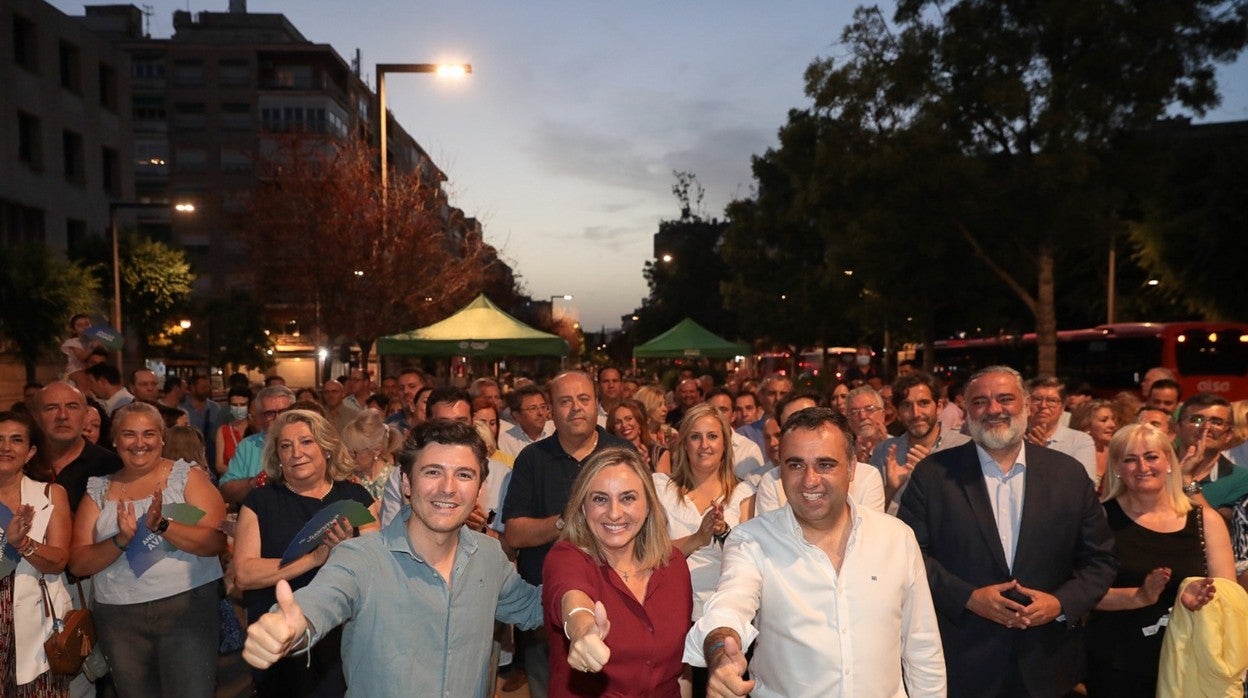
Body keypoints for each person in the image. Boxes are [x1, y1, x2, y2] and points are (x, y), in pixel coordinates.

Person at [242, 420, 543, 696]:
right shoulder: (360, 557)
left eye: (464, 475)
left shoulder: (489, 556)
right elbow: (322, 600)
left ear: (479, 488)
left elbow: (535, 608)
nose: (448, 488)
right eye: (433, 472)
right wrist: (289, 627)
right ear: (407, 483)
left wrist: (580, 603)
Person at [684, 407, 945, 697]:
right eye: (795, 465)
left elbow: (922, 647)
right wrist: (721, 653)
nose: (809, 480)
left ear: (851, 467)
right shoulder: (752, 541)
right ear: (779, 469)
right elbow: (728, 607)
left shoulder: (896, 538)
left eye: (825, 464)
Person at [896, 365, 1117, 697]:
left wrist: (1059, 603)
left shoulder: (1067, 475)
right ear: (966, 411)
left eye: (1005, 399)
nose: (994, 410)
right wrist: (968, 598)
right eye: (980, 401)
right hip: (961, 661)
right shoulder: (933, 475)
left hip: (1047, 663)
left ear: (1026, 405)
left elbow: (1101, 560)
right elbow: (910, 557)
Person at [68, 402, 227, 698]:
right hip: (118, 618)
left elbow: (216, 542)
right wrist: (120, 541)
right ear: (115, 440)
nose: (139, 443)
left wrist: (164, 526)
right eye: (129, 434)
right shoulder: (98, 490)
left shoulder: (186, 477)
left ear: (162, 439)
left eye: (149, 434)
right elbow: (78, 564)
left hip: (187, 611)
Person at [503, 371, 634, 697]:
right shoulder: (532, 460)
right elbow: (515, 534)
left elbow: (643, 525)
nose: (576, 408)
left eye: (583, 399)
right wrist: (566, 521)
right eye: (565, 401)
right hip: (546, 612)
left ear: (596, 404)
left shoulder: (622, 454)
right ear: (550, 409)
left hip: (616, 603)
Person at [232, 409, 379, 697]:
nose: (296, 452)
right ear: (278, 457)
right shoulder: (260, 502)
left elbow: (379, 568)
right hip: (281, 637)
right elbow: (245, 575)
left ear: (326, 448)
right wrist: (313, 559)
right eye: (286, 446)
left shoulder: (355, 498)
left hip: (344, 638)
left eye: (306, 442)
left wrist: (347, 551)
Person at [1084, 423, 1236, 697]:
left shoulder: (1206, 520)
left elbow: (1229, 599)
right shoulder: (1099, 520)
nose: (1142, 466)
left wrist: (1194, 598)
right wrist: (1138, 596)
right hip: (1118, 662)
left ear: (1169, 462)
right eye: (1130, 459)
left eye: (1151, 456)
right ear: (1117, 468)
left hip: (1190, 664)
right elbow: (1081, 593)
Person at [544, 447, 691, 697]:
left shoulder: (673, 563)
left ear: (648, 506)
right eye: (600, 499)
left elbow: (680, 666)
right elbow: (573, 601)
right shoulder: (567, 558)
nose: (614, 513)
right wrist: (583, 630)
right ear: (582, 508)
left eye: (628, 498)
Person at [0, 411, 73, 696]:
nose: (6, 447)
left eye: (16, 440)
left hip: (36, 627)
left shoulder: (49, 495)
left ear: (30, 452)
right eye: (0, 439)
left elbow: (58, 561)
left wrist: (23, 544)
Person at [870, 371, 972, 513]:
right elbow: (870, 517)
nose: (916, 413)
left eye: (923, 403)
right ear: (898, 412)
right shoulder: (884, 452)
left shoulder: (965, 448)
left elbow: (970, 514)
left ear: (939, 406)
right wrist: (891, 489)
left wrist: (933, 478)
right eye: (906, 405)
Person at [35, 382, 122, 514]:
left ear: (85, 414)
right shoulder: (23, 464)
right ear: (36, 416)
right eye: (51, 408)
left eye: (72, 407)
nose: (62, 416)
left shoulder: (111, 467)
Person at [219, 385, 296, 507]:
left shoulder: (309, 442)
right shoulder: (247, 446)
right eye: (270, 413)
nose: (278, 418)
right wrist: (255, 482)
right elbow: (226, 491)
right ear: (260, 418)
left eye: (284, 412)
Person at [1176, 392, 1248, 518]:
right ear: (1177, 428)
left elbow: (1220, 528)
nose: (1206, 427)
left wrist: (1187, 481)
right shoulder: (1152, 468)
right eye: (1196, 420)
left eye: (1216, 422)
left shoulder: (1242, 479)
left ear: (1228, 435)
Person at [1025, 376, 1098, 482]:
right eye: (1037, 399)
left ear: (1063, 407)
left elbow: (1083, 484)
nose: (1043, 405)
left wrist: (1042, 455)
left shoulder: (1080, 441)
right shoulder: (1013, 438)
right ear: (1026, 404)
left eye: (1052, 401)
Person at [340, 409, 402, 503]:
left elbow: (394, 515)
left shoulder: (395, 479)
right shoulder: (352, 477)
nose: (349, 458)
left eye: (354, 453)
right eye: (347, 453)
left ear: (376, 450)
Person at [609, 399, 670, 473]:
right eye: (617, 422)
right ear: (613, 429)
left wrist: (644, 469)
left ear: (639, 422)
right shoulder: (609, 456)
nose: (624, 425)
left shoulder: (658, 454)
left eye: (629, 419)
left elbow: (662, 484)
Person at [1069, 399, 1117, 493]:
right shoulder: (1073, 454)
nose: (1112, 425)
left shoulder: (1116, 454)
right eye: (1104, 420)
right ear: (1086, 425)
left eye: (1113, 419)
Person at [497, 385, 554, 460]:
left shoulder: (556, 430)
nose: (540, 413)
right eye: (533, 408)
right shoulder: (505, 442)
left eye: (543, 407)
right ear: (516, 415)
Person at [215, 386, 252, 477]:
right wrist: (241, 475)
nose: (238, 408)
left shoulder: (256, 428)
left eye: (242, 405)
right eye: (235, 405)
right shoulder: (223, 431)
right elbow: (219, 466)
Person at [61, 314, 99, 388]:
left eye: (87, 324)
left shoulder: (93, 341)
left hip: (91, 369)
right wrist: (92, 347)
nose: (85, 327)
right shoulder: (73, 342)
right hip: (76, 369)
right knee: (83, 384)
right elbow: (81, 357)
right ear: (74, 329)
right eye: (80, 325)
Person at [635, 385, 676, 449]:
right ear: (646, 407)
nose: (665, 409)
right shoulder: (634, 435)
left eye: (665, 404)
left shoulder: (671, 434)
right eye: (659, 405)